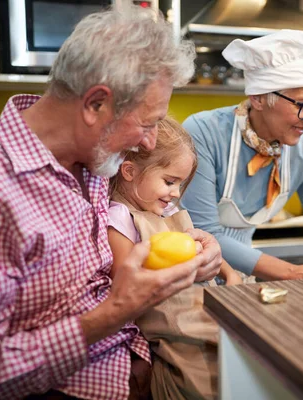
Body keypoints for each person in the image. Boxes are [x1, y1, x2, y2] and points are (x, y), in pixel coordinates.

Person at [0, 5, 224, 400]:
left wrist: (201, 252)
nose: (148, 142)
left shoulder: (94, 162)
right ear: (96, 103)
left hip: (134, 366)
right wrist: (115, 313)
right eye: (147, 123)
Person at [181, 30, 303, 281]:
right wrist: (290, 271)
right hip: (190, 276)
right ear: (258, 98)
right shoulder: (203, 133)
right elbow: (204, 231)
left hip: (242, 277)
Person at [108, 116, 241, 400]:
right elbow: (125, 282)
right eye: (170, 182)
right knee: (207, 380)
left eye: (180, 184)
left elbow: (202, 248)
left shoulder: (166, 212)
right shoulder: (119, 218)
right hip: (173, 326)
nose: (176, 193)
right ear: (129, 171)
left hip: (203, 309)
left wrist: (228, 272)